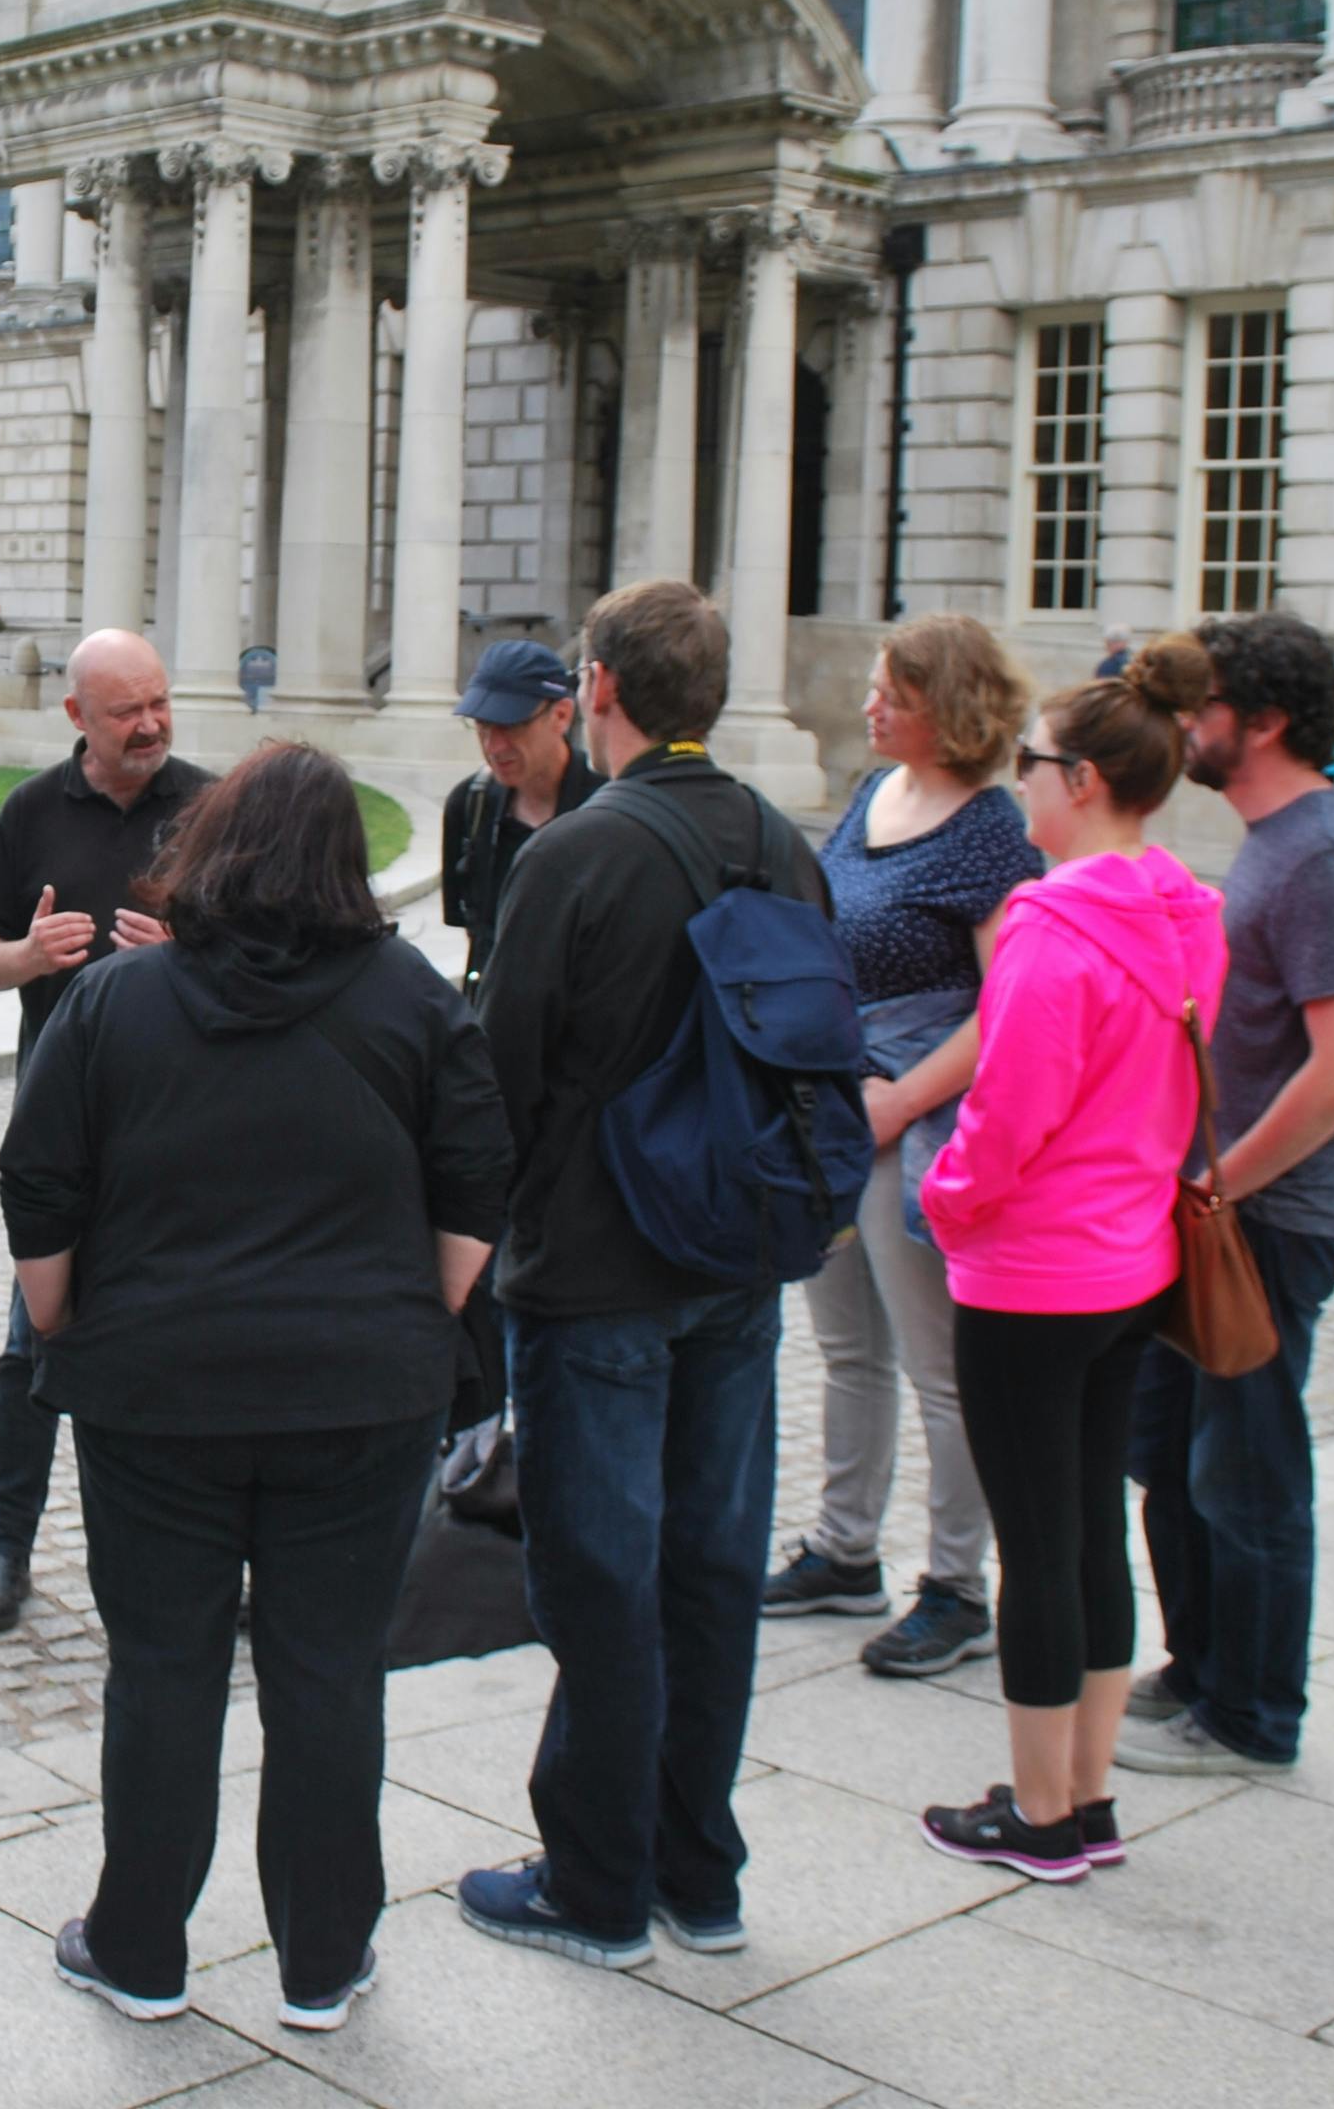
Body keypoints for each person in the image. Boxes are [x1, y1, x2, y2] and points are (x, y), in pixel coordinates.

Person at [0, 743, 512, 2035]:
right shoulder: (408, 995)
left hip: (154, 1386)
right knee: (328, 1672)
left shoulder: (121, 1000)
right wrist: (420, 1314)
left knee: (162, 1669)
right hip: (358, 1389)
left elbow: (39, 1176)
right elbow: (476, 1182)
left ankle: (141, 1947)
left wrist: (59, 1317)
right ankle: (323, 1958)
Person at [455, 579, 825, 1971]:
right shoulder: (786, 842)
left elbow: (501, 1085)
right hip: (737, 1256)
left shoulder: (579, 856)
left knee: (601, 1578)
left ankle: (598, 1884)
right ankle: (697, 1869)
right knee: (713, 1567)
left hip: (601, 1265)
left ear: (597, 688)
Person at [911, 638, 1227, 1884]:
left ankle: (1038, 1813)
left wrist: (944, 1197)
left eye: (1032, 764)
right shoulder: (1182, 910)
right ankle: (1083, 1791)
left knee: (1034, 1546)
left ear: (1082, 780)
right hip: (1132, 1260)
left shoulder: (1052, 926)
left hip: (1034, 1270)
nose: (1020, 782)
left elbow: (1008, 1108)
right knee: (1090, 1524)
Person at [1120, 611, 1334, 1780]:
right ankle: (1198, 1666)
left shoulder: (1324, 853)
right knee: (1173, 1452)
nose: (1182, 725)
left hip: (1270, 1220)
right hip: (1215, 1210)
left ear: (1265, 721)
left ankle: (1251, 1715)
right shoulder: (1272, 839)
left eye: (1202, 705)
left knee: (1247, 1469)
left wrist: (1221, 1186)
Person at [762, 617, 1041, 1679]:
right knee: (844, 1347)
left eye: (891, 694)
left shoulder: (990, 831)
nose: (869, 705)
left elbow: (1005, 1002)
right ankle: (841, 1548)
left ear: (948, 711)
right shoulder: (871, 797)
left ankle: (957, 1584)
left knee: (939, 1367)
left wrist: (901, 1100)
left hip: (915, 1121)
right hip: (838, 1104)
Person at [0, 628, 213, 1633]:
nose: (147, 725)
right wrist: (27, 954)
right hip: (62, 1126)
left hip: (184, 1122)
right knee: (32, 1343)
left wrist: (194, 948)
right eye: (122, 711)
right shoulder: (29, 813)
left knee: (186, 1341)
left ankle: (188, 1553)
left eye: (156, 702)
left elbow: (275, 946)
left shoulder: (209, 805)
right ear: (75, 719)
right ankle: (4, 1548)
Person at [437, 638, 603, 996]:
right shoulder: (467, 806)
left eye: (510, 726)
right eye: (482, 726)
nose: (494, 747)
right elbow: (469, 928)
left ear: (561, 715)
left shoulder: (606, 809)